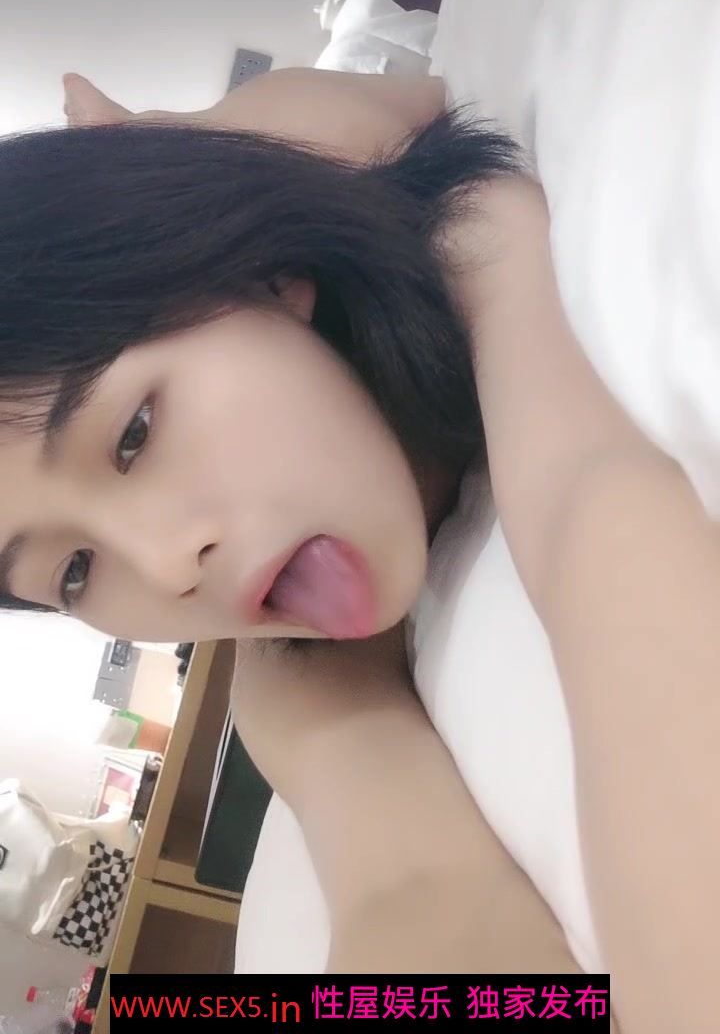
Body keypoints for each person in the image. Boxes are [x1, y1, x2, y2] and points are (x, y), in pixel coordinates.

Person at [0, 67, 715, 1030]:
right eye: (76, 572)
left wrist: (177, 140)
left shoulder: (447, 219)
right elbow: (410, 887)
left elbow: (590, 501)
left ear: (266, 273)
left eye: (134, 434)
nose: (166, 566)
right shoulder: (288, 682)